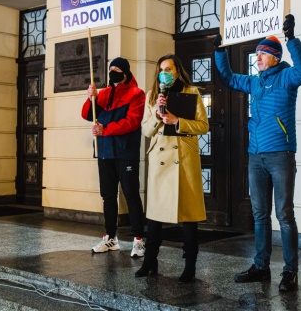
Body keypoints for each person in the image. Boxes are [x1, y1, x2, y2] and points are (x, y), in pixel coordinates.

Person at [213, 14, 301, 292]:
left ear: (274, 56)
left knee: (284, 214)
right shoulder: (255, 83)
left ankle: (290, 272)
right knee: (259, 214)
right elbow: (230, 78)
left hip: (281, 154)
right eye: (256, 54)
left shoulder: (287, 77)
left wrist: (291, 39)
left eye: (261, 54)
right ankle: (260, 266)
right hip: (255, 157)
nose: (257, 58)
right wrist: (219, 51)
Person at [135, 54, 209, 283]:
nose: (163, 73)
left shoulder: (191, 92)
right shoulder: (152, 96)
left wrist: (177, 120)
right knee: (155, 218)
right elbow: (146, 131)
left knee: (188, 217)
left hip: (184, 160)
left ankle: (190, 266)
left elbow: (203, 126)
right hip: (160, 161)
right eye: (161, 69)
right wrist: (158, 115)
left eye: (168, 68)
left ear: (178, 71)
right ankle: (149, 261)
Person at [81, 57, 146, 258]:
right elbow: (87, 115)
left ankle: (138, 240)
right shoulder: (105, 93)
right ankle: (110, 237)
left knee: (131, 194)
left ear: (125, 71)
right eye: (111, 69)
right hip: (104, 151)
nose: (113, 72)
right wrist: (90, 97)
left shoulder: (137, 94)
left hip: (125, 151)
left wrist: (105, 130)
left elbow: (132, 122)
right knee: (108, 196)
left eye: (117, 69)